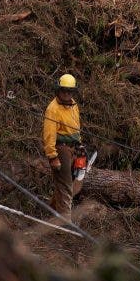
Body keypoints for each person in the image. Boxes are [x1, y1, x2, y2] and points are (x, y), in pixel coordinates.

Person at [42, 73, 82, 221]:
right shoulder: (53, 109)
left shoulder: (73, 105)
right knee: (65, 184)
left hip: (74, 147)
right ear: (58, 90)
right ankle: (65, 221)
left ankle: (52, 211)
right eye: (64, 90)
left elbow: (76, 127)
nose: (66, 94)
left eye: (69, 91)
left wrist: (79, 144)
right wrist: (52, 156)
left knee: (73, 182)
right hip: (61, 149)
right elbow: (49, 135)